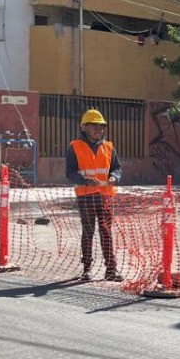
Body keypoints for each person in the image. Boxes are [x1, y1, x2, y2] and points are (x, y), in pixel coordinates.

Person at [66, 109, 122, 281]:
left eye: (101, 126)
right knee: (88, 231)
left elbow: (117, 168)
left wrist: (115, 177)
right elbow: (70, 173)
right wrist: (85, 180)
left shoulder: (109, 147)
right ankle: (87, 269)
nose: (99, 129)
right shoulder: (74, 146)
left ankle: (111, 270)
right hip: (85, 196)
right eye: (94, 126)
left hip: (105, 195)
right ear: (84, 127)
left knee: (106, 231)